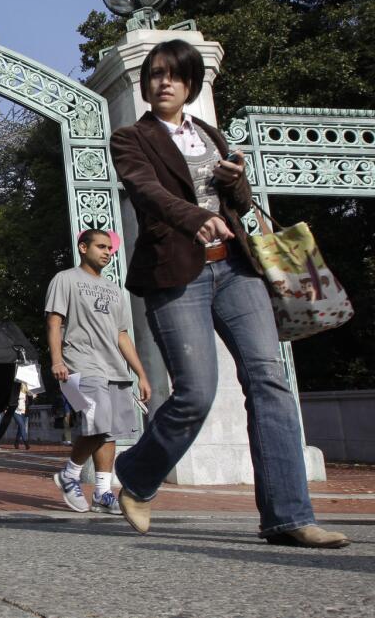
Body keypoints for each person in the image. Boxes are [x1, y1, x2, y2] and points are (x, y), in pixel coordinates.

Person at [109, 39, 347, 548]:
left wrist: (235, 182)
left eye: (173, 75)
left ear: (191, 84)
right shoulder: (130, 138)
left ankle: (288, 516)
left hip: (237, 269)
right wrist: (196, 217)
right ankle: (137, 474)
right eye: (154, 74)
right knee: (195, 392)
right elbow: (146, 192)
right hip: (177, 275)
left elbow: (240, 203)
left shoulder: (211, 135)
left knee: (269, 381)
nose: (163, 82)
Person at [46, 229, 152, 515]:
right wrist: (57, 360)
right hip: (79, 365)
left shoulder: (114, 290)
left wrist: (140, 374)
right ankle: (69, 475)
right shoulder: (65, 279)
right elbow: (54, 322)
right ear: (83, 247)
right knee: (99, 422)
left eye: (110, 249)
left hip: (114, 368)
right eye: (101, 247)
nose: (107, 252)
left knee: (110, 432)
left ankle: (103, 493)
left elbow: (122, 335)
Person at [11, 383, 31, 450]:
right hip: (16, 411)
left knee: (20, 428)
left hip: (24, 412)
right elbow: (10, 400)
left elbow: (30, 403)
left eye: (24, 385)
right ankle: (26, 443)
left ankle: (16, 442)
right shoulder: (15, 392)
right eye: (23, 384)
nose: (23, 386)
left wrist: (33, 396)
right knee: (22, 426)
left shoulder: (27, 393)